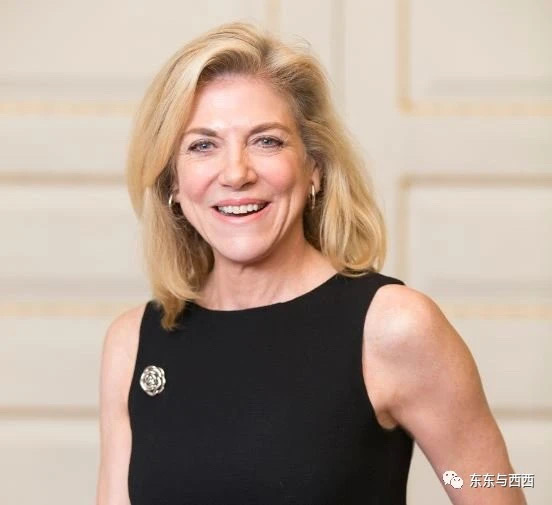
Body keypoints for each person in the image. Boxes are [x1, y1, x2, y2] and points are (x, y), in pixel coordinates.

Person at [96, 22, 526, 505]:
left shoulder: (394, 327)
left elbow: (493, 487)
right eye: (202, 145)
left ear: (314, 167)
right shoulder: (132, 342)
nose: (236, 173)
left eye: (267, 141)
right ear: (172, 182)